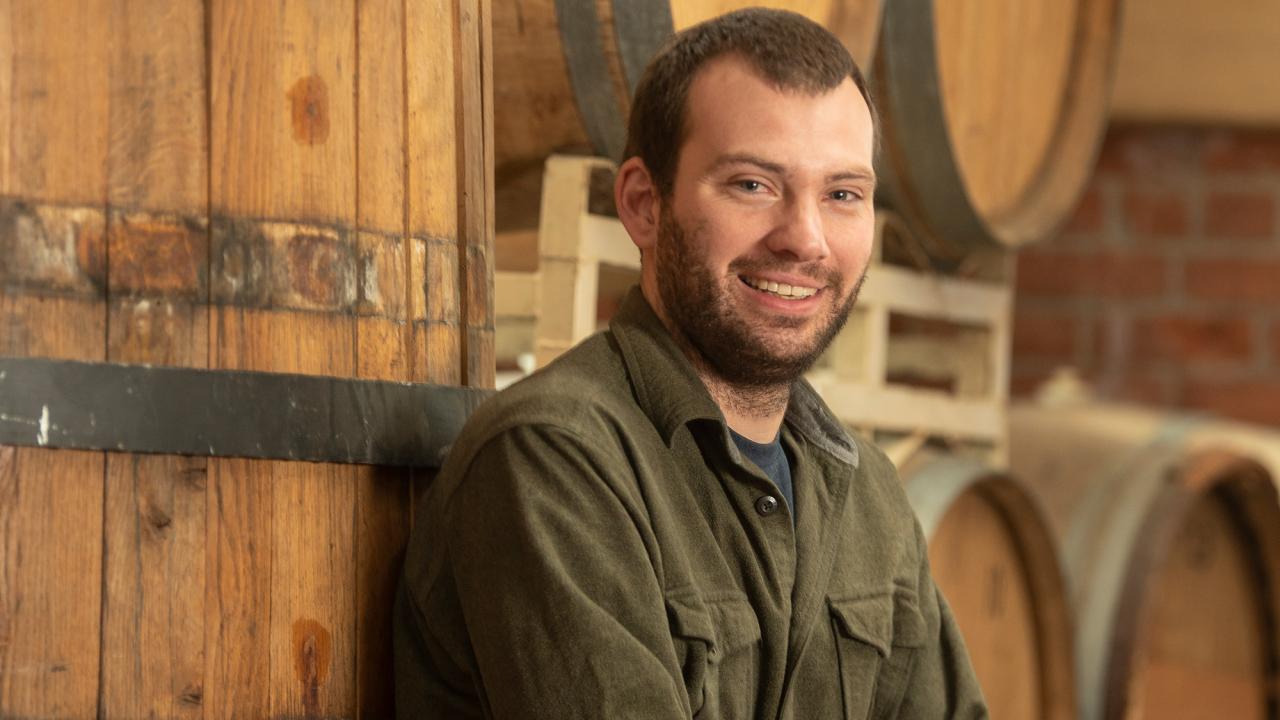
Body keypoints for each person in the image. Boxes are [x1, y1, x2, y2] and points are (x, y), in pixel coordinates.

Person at [394, 8, 988, 719]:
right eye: (752, 185)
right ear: (644, 205)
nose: (805, 240)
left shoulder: (868, 495)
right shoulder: (553, 459)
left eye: (841, 195)